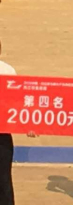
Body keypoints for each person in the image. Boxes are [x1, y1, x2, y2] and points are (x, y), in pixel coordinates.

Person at [0, 40, 17, 205]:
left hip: (2, 132)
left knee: (3, 176)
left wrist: (30, 124)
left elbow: (17, 100)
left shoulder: (7, 70)